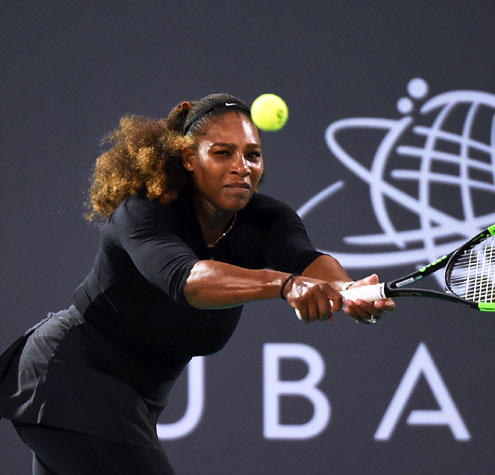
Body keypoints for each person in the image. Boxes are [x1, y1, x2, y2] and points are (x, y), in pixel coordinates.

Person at [0, 93, 395, 474]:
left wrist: (347, 291)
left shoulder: (268, 220)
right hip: (69, 376)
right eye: (223, 153)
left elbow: (308, 261)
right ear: (190, 158)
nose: (242, 166)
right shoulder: (144, 210)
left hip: (133, 402)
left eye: (252, 155)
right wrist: (285, 285)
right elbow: (189, 280)